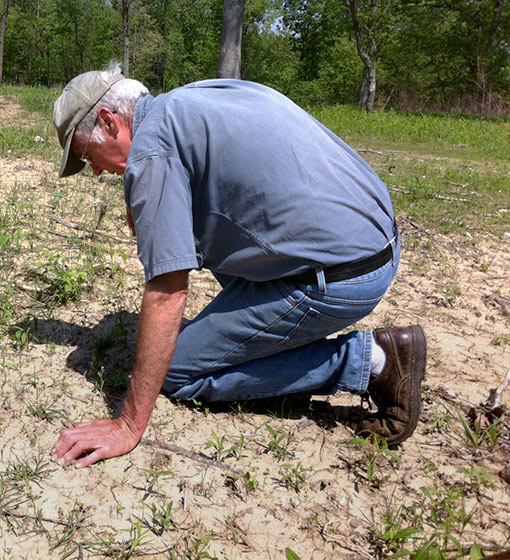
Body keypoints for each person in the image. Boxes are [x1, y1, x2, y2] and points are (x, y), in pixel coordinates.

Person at [50, 61, 427, 469]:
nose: (96, 169)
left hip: (343, 278)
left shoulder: (153, 151)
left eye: (88, 155)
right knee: (198, 240)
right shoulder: (190, 100)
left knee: (176, 372)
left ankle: (371, 363)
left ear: (109, 122)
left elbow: (168, 291)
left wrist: (128, 424)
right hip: (376, 242)